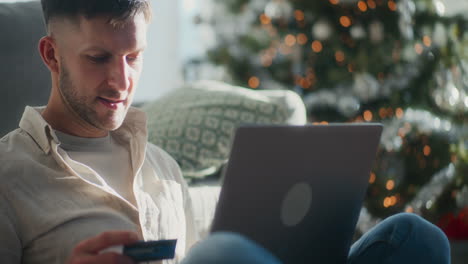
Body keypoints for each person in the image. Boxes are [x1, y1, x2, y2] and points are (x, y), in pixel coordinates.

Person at [0, 0, 451, 263]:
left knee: (416, 237)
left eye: (133, 56)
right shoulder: (9, 175)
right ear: (51, 54)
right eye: (98, 58)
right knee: (226, 254)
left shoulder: (162, 166)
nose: (122, 82)